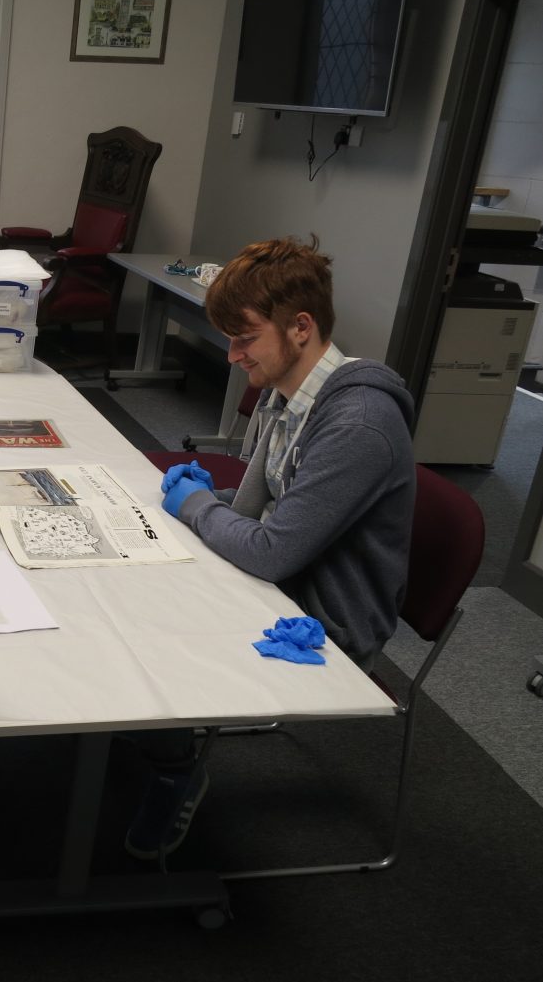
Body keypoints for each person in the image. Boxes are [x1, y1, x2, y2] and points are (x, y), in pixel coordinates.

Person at [124, 235, 416, 860]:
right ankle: (145, 745)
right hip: (286, 575)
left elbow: (270, 552)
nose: (232, 356)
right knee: (135, 578)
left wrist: (199, 507)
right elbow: (264, 507)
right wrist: (212, 504)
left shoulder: (358, 424)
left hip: (323, 622)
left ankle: (173, 766)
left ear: (301, 328)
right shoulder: (290, 394)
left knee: (149, 621)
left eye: (245, 338)